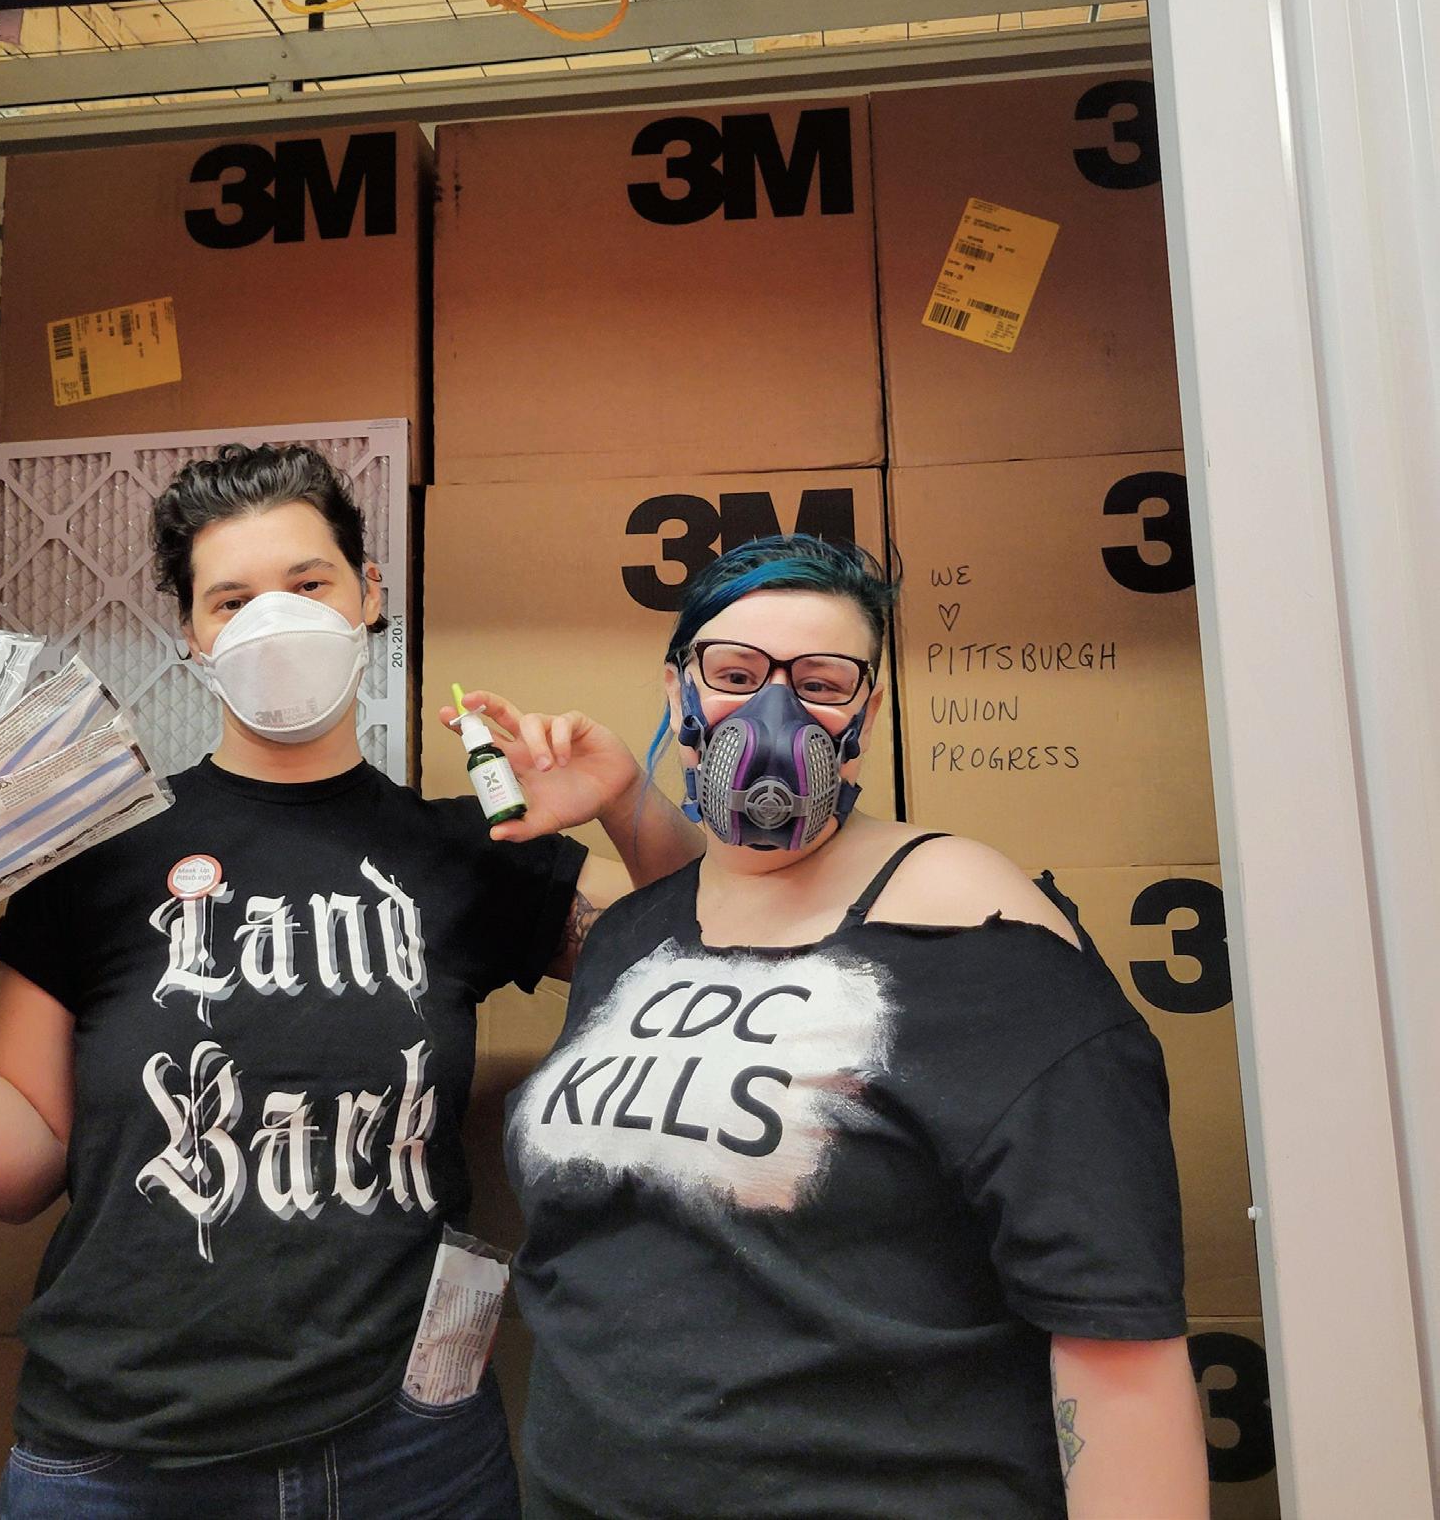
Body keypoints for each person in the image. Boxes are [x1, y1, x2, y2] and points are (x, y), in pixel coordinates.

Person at [0, 442, 699, 1520]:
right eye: (230, 600)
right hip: (122, 1456)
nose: (273, 619)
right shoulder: (97, 858)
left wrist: (627, 803)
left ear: (369, 596)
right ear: (192, 637)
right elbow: (15, 1169)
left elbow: (709, 954)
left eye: (308, 583)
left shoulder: (468, 850)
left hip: (407, 1454)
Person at [505, 533, 1210, 1520]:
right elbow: (737, 930)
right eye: (734, 674)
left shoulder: (979, 938)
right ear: (678, 692)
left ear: (866, 714)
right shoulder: (635, 937)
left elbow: (1116, 1343)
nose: (774, 714)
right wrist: (626, 802)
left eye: (821, 683)